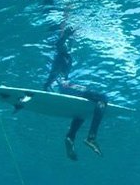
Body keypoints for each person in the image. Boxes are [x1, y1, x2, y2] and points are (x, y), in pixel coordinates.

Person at [41, 26, 107, 160]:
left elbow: (50, 80)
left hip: (60, 87)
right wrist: (65, 35)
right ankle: (91, 138)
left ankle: (70, 137)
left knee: (82, 110)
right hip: (63, 87)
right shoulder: (62, 54)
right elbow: (59, 45)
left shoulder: (65, 57)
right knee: (102, 98)